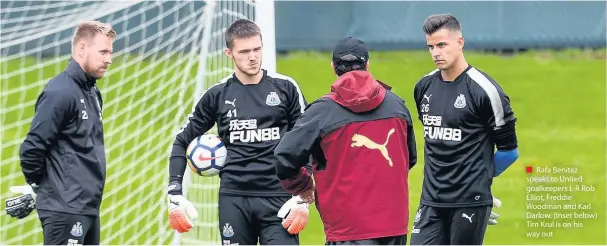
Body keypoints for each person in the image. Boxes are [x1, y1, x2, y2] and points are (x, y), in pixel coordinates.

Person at [166, 19, 310, 245]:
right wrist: (175, 193)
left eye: (257, 49)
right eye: (244, 51)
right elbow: (181, 141)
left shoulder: (286, 88)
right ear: (229, 53)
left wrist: (302, 196)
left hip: (279, 199)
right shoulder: (217, 95)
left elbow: (308, 140)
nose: (253, 57)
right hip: (234, 199)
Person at [274, 37, 418, 245]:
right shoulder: (397, 106)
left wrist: (303, 187)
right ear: (367, 64)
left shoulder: (321, 112)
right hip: (393, 228)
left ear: (333, 67)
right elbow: (409, 159)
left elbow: (284, 157)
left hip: (347, 230)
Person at [409, 13, 518, 245]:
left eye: (441, 45)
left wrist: (481, 186)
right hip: (431, 200)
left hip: (470, 201)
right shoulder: (423, 87)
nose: (436, 53)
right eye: (430, 47)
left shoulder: (485, 91)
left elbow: (509, 151)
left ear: (460, 43)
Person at [5, 21, 116, 245]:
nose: (109, 59)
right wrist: (40, 186)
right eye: (103, 51)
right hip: (64, 209)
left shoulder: (93, 91)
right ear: (82, 49)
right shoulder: (60, 91)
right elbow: (32, 147)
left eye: (110, 52)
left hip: (87, 207)